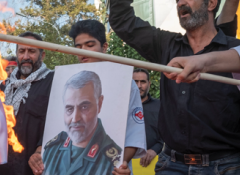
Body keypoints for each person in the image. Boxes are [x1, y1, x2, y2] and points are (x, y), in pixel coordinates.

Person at [109, 0, 240, 173]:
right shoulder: (165, 44)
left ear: (211, 3)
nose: (181, 2)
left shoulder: (233, 50)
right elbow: (121, 20)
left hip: (227, 166)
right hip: (172, 165)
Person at [36, 19, 146, 175]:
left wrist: (122, 163)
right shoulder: (60, 80)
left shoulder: (124, 81)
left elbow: (134, 134)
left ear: (104, 47)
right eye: (78, 47)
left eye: (89, 45)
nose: (83, 52)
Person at [0, 32, 55, 175]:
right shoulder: (5, 85)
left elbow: (58, 123)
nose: (26, 56)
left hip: (36, 168)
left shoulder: (53, 81)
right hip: (4, 167)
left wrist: (41, 149)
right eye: (22, 51)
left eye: (32, 51)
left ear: (42, 55)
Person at [42, 71, 123, 175]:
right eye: (69, 109)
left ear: (100, 103)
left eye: (84, 107)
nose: (75, 118)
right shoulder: (51, 150)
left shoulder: (114, 161)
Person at [132, 68, 162, 167]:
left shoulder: (161, 106)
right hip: (124, 164)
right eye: (135, 81)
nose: (139, 86)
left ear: (149, 84)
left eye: (143, 82)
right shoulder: (121, 106)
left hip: (153, 164)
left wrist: (155, 149)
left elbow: (168, 135)